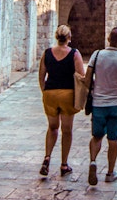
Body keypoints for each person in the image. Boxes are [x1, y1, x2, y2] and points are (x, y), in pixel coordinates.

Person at [86, 26, 117, 185]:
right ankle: (110, 172)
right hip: (115, 104)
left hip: (98, 103)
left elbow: (87, 79)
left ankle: (93, 161)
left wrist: (94, 87)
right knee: (113, 139)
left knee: (96, 136)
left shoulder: (97, 55)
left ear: (108, 39)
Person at [37, 24, 86, 177]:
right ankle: (64, 164)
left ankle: (47, 157)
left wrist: (44, 91)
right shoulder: (74, 54)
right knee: (66, 130)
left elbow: (41, 75)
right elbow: (81, 75)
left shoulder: (47, 53)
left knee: (52, 127)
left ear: (56, 37)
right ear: (69, 38)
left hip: (50, 93)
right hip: (67, 94)